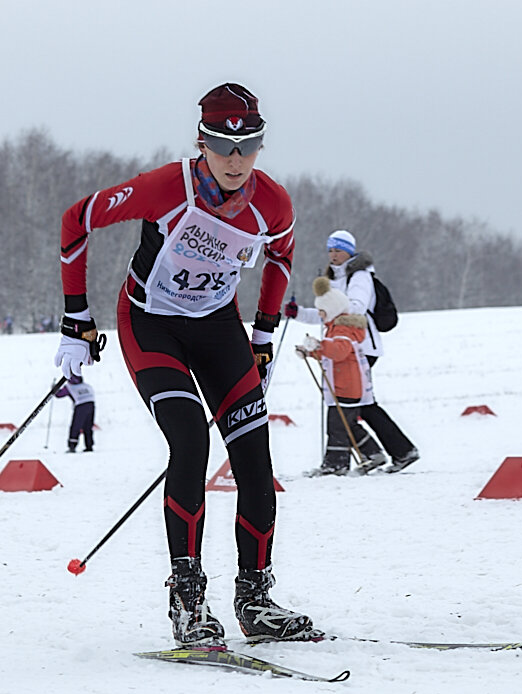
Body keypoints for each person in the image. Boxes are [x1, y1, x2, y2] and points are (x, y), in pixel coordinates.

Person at [52, 82, 318, 648]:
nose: (237, 160)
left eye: (250, 147)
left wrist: (265, 334)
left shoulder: (273, 201)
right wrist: (77, 319)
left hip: (219, 329)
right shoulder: (164, 188)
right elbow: (76, 221)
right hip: (152, 326)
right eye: (224, 146)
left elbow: (282, 257)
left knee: (253, 455)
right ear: (202, 142)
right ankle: (188, 601)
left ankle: (255, 599)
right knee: (191, 441)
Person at [286, 230, 419, 473]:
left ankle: (349, 459)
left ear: (349, 251)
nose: (333, 255)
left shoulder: (359, 276)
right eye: (330, 250)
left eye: (338, 250)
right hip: (342, 343)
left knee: (350, 406)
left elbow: (351, 309)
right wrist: (299, 314)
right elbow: (327, 314)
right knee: (357, 406)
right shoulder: (333, 276)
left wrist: (329, 302)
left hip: (360, 346)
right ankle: (394, 452)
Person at [296, 277, 387, 476]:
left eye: (322, 311)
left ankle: (336, 464)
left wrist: (319, 345)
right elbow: (332, 354)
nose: (319, 314)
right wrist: (310, 352)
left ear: (332, 310)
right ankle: (374, 454)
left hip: (346, 385)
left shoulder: (343, 329)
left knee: (337, 426)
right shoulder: (335, 327)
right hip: (344, 384)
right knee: (348, 425)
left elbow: (339, 351)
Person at [55, 374, 96, 452]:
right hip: (91, 405)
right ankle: (89, 446)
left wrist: (54, 388)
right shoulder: (87, 386)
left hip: (80, 406)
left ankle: (72, 446)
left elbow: (58, 394)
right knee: (88, 426)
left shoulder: (69, 387)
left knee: (76, 426)